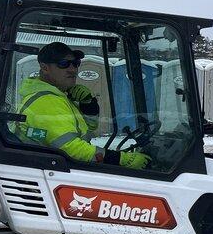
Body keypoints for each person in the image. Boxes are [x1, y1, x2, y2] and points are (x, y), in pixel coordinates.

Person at [17, 42, 150, 169]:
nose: (72, 69)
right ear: (45, 68)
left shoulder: (59, 96)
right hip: (54, 169)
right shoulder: (46, 101)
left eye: (76, 63)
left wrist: (88, 104)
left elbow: (89, 128)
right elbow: (71, 148)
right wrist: (121, 159)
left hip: (61, 166)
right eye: (64, 64)